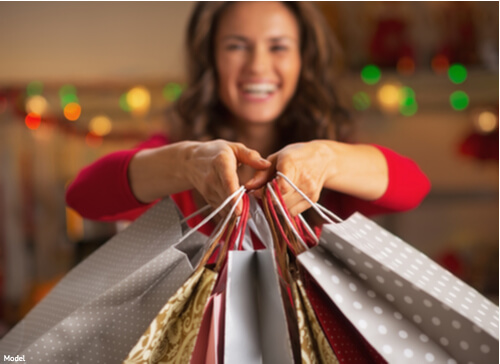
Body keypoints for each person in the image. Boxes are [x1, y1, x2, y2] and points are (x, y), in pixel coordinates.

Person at [66, 2, 430, 233]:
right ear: (211, 59)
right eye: (236, 46)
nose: (257, 66)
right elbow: (84, 196)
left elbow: (413, 187)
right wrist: (186, 162)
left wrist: (328, 159)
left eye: (278, 47)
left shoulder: (330, 164)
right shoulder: (173, 152)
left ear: (303, 60)